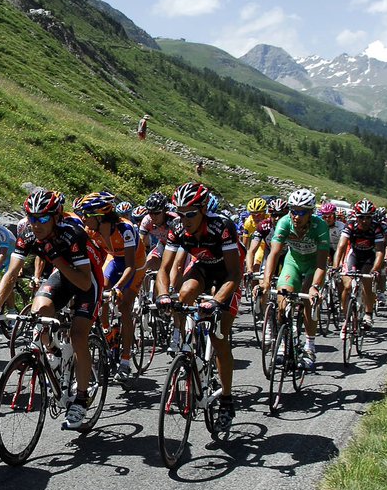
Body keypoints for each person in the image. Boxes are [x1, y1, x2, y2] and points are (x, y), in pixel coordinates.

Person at [0, 189, 103, 431]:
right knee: (39, 308)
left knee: (78, 335)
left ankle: (82, 398)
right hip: (63, 276)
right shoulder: (28, 234)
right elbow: (10, 273)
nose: (35, 223)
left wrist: (57, 258)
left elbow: (84, 282)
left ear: (56, 216)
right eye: (31, 217)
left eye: (42, 218)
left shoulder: (72, 234)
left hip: (87, 279)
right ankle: (55, 350)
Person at [155, 182, 242, 429]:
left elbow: (235, 274)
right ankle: (185, 346)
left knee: (220, 339)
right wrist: (163, 296)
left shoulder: (221, 226)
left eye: (190, 213)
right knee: (184, 293)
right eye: (180, 213)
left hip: (227, 273)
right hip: (203, 267)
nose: (184, 219)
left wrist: (216, 301)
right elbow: (165, 267)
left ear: (203, 209)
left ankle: (226, 399)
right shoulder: (176, 227)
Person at [73, 191, 146, 382]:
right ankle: (107, 332)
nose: (83, 219)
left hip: (135, 264)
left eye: (86, 215)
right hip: (114, 259)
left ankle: (125, 360)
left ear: (100, 216)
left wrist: (119, 288)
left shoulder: (125, 229)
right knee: (101, 291)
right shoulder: (91, 231)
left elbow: (130, 266)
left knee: (124, 307)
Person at [257, 188, 330, 370]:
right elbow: (274, 254)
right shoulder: (284, 222)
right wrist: (266, 281)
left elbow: (322, 263)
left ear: (311, 212)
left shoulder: (320, 227)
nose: (297, 216)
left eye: (302, 211)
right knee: (283, 299)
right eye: (293, 210)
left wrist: (315, 286)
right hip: (293, 262)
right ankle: (284, 342)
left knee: (308, 298)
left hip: (313, 265)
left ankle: (309, 346)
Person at [333, 199, 385, 329]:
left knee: (367, 282)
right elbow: (341, 246)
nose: (365, 220)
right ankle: (345, 316)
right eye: (361, 217)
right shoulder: (350, 225)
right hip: (354, 255)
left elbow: (379, 251)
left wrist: (376, 269)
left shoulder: (376, 227)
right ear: (357, 217)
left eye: (368, 217)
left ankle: (368, 314)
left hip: (369, 257)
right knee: (348, 285)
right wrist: (336, 267)